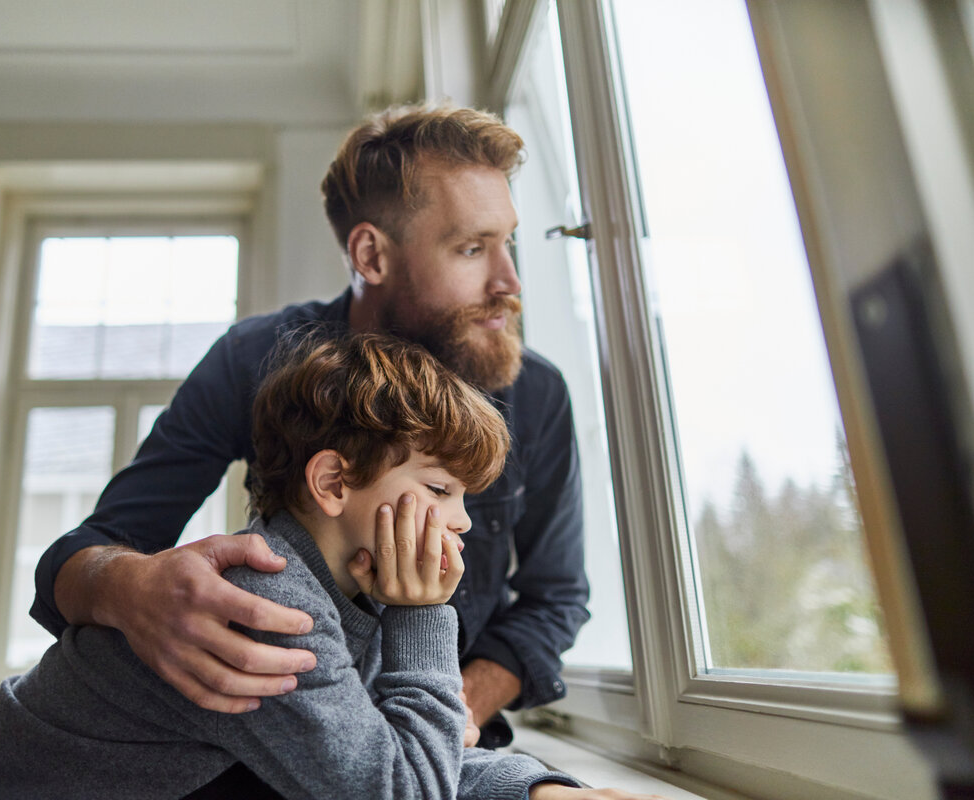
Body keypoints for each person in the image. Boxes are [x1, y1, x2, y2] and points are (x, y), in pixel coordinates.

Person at [31, 104, 590, 745]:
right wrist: (128, 587)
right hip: (283, 735)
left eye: (508, 241)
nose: (510, 281)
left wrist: (452, 708)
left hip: (447, 747)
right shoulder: (253, 359)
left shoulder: (538, 394)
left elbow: (556, 598)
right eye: (472, 248)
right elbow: (88, 548)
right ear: (371, 253)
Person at [0, 335, 659, 800]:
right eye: (438, 490)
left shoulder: (331, 597)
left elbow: (378, 754)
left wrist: (537, 788)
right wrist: (427, 616)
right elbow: (400, 793)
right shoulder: (266, 611)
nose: (462, 521)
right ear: (333, 483)